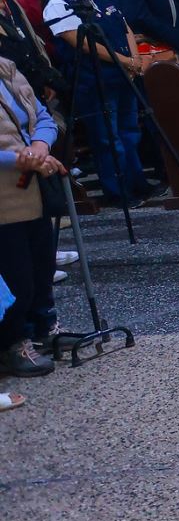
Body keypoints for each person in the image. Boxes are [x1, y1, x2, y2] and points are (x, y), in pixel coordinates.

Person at [41, 0, 151, 205]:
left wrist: (135, 59)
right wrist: (126, 61)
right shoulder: (57, 4)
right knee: (108, 138)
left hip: (124, 73)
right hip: (95, 79)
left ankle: (138, 182)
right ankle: (118, 191)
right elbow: (83, 43)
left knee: (129, 131)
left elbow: (124, 27)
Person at [0, 55, 63, 379]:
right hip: (4, 193)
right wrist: (18, 159)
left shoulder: (6, 68)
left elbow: (43, 117)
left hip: (32, 187)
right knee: (16, 276)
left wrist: (40, 146)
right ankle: (12, 343)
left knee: (42, 264)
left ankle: (43, 328)